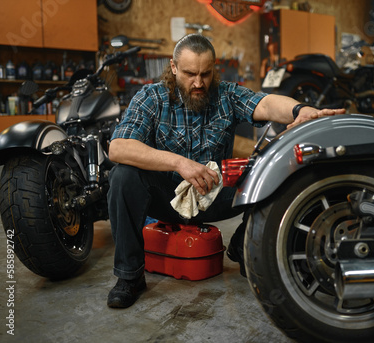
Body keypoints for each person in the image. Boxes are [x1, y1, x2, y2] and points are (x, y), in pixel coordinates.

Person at [106, 33, 344, 308]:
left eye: (205, 73)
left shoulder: (227, 94)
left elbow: (264, 103)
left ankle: (243, 243)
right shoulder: (151, 96)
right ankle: (130, 276)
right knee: (123, 176)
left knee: (276, 168)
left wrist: (300, 110)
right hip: (166, 198)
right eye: (189, 73)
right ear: (173, 67)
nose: (198, 82)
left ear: (214, 69)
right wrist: (179, 163)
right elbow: (118, 148)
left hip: (215, 196)